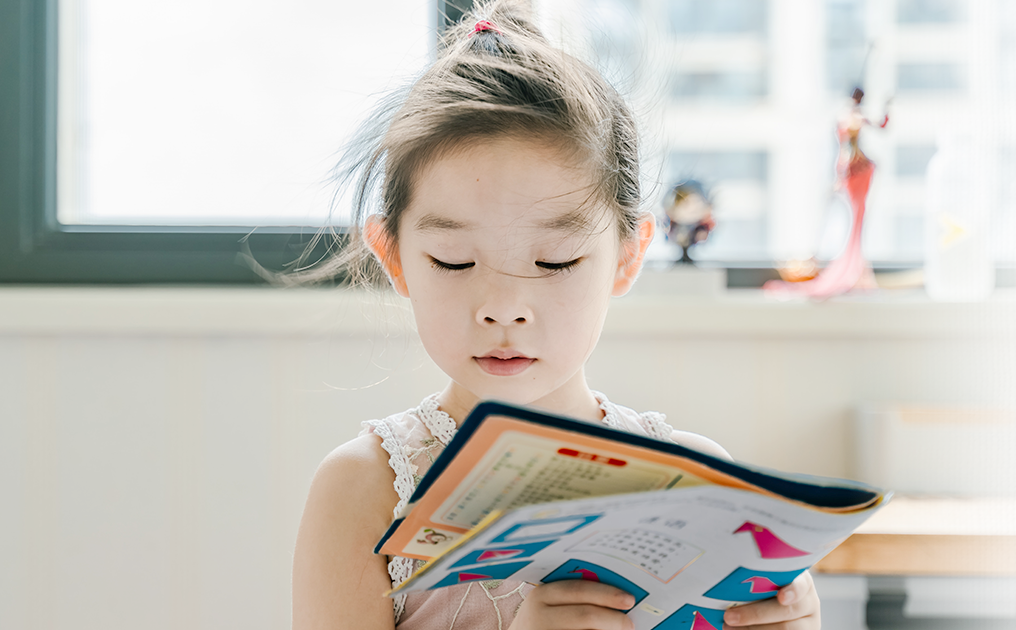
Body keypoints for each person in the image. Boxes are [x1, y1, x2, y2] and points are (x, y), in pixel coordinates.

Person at [291, 2, 821, 628]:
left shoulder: (699, 484)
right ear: (393, 256)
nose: (504, 309)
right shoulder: (366, 489)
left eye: (556, 261)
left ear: (628, 256)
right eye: (455, 262)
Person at [764, 86, 890, 299]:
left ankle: (856, 270)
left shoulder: (847, 118)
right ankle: (851, 270)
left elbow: (879, 127)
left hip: (852, 169)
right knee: (855, 220)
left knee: (857, 220)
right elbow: (870, 131)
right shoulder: (852, 118)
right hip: (854, 168)